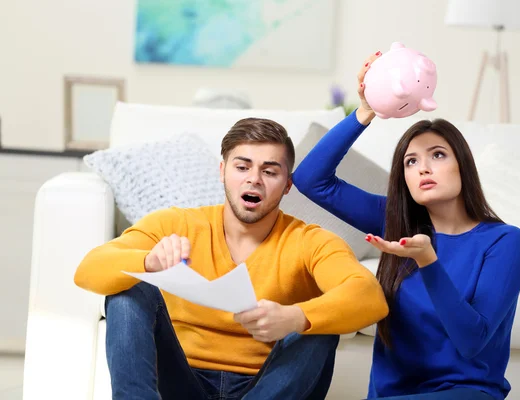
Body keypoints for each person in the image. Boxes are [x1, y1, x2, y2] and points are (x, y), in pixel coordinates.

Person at [74, 117, 389, 400]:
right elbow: (87, 271)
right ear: (223, 171)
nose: (254, 179)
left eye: (270, 171)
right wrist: (148, 263)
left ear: (288, 184)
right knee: (129, 290)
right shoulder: (176, 223)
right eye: (242, 167)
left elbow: (369, 297)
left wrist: (297, 317)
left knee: (321, 324)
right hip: (180, 382)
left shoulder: (310, 240)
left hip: (268, 387)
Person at [292, 52, 520, 400]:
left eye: (437, 155)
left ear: (462, 165)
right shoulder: (395, 221)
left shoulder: (504, 242)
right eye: (411, 161)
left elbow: (471, 341)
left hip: (465, 392)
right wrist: (365, 111)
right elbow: (311, 180)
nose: (423, 168)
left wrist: (428, 262)